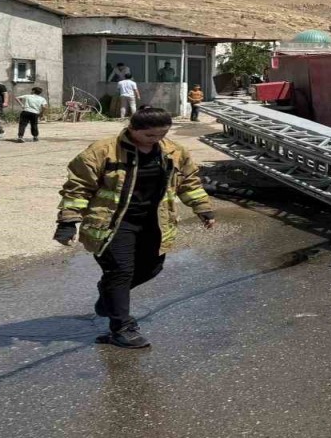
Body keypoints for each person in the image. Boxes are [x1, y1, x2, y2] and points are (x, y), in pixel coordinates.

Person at [53, 106, 215, 349]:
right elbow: (77, 187)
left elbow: (188, 182)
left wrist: (203, 208)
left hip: (155, 222)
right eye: (150, 135)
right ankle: (122, 328)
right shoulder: (102, 151)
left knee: (152, 268)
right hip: (113, 223)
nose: (157, 140)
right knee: (121, 271)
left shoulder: (173, 152)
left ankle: (109, 295)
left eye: (163, 134)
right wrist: (67, 222)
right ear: (132, 129)